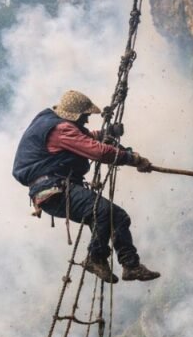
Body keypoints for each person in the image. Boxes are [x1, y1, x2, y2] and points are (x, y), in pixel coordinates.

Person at [13, 89, 160, 283]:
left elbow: (81, 138)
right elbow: (98, 152)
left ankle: (131, 265)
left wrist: (104, 134)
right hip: (54, 190)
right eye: (85, 116)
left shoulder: (52, 124)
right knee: (103, 212)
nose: (86, 121)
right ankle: (95, 258)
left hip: (55, 189)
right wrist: (132, 158)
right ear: (75, 116)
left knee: (118, 217)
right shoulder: (60, 129)